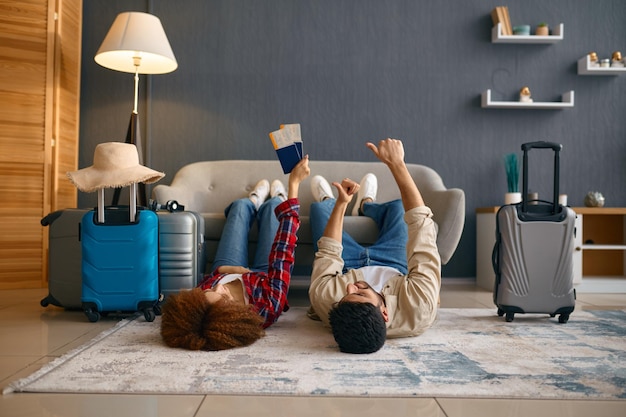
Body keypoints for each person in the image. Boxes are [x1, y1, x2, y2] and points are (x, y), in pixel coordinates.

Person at [161, 156, 310, 351]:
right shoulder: (267, 307)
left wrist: (224, 270)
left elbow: (213, 280)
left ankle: (253, 200)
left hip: (227, 268)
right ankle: (277, 198)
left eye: (208, 291)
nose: (219, 288)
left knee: (240, 206)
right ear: (232, 316)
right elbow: (283, 251)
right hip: (265, 275)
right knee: (273, 208)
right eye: (223, 298)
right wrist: (294, 184)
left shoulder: (202, 301)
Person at [307, 138, 441, 354]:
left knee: (319, 210)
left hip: (347, 263)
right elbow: (422, 228)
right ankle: (366, 204)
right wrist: (397, 164)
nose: (350, 288)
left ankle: (333, 200)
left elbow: (328, 251)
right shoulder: (419, 305)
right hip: (395, 263)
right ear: (384, 313)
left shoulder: (327, 301)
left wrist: (341, 204)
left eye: (344, 297)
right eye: (359, 295)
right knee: (398, 207)